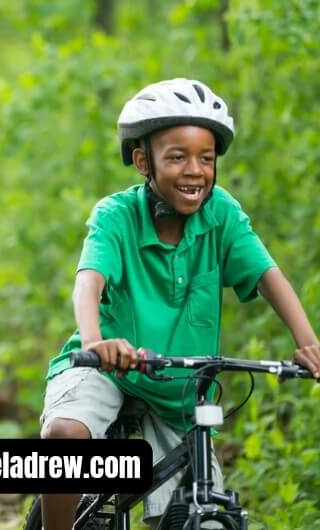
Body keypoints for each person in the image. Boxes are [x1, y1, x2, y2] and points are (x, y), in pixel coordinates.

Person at [38, 78, 320, 529]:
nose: (195, 170)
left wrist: (308, 343)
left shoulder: (221, 214)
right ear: (141, 160)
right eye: (176, 157)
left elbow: (269, 277)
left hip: (180, 388)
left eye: (205, 159)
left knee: (203, 511)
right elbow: (88, 281)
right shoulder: (116, 215)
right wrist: (96, 341)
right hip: (107, 368)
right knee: (67, 435)